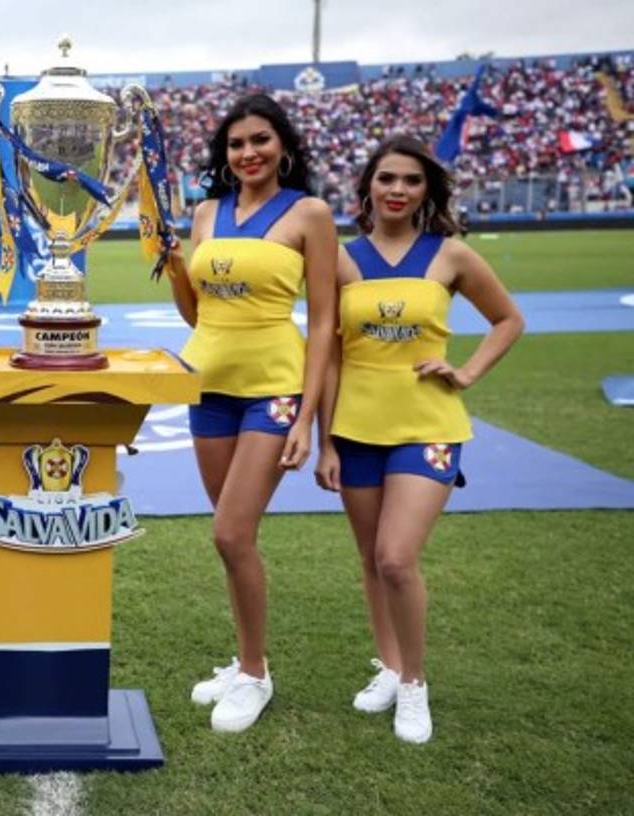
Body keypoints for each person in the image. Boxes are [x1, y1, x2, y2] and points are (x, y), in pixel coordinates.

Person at [314, 135, 524, 743]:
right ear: (368, 188)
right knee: (370, 561)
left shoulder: (451, 255)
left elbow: (508, 319)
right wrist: (325, 441)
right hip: (355, 431)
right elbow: (326, 356)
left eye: (410, 180)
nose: (398, 190)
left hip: (429, 426)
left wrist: (467, 372)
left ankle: (414, 684)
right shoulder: (342, 260)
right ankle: (390, 665)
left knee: (396, 558)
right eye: (387, 179)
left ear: (426, 190)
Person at [168, 94, 337, 733]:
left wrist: (307, 420)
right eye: (236, 145)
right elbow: (198, 313)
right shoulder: (208, 211)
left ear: (283, 146)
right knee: (235, 541)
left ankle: (256, 674)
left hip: (275, 387)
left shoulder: (311, 214)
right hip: (207, 384)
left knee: (230, 533)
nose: (248, 153)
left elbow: (323, 323)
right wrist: (178, 267)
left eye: (260, 140)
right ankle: (244, 664)